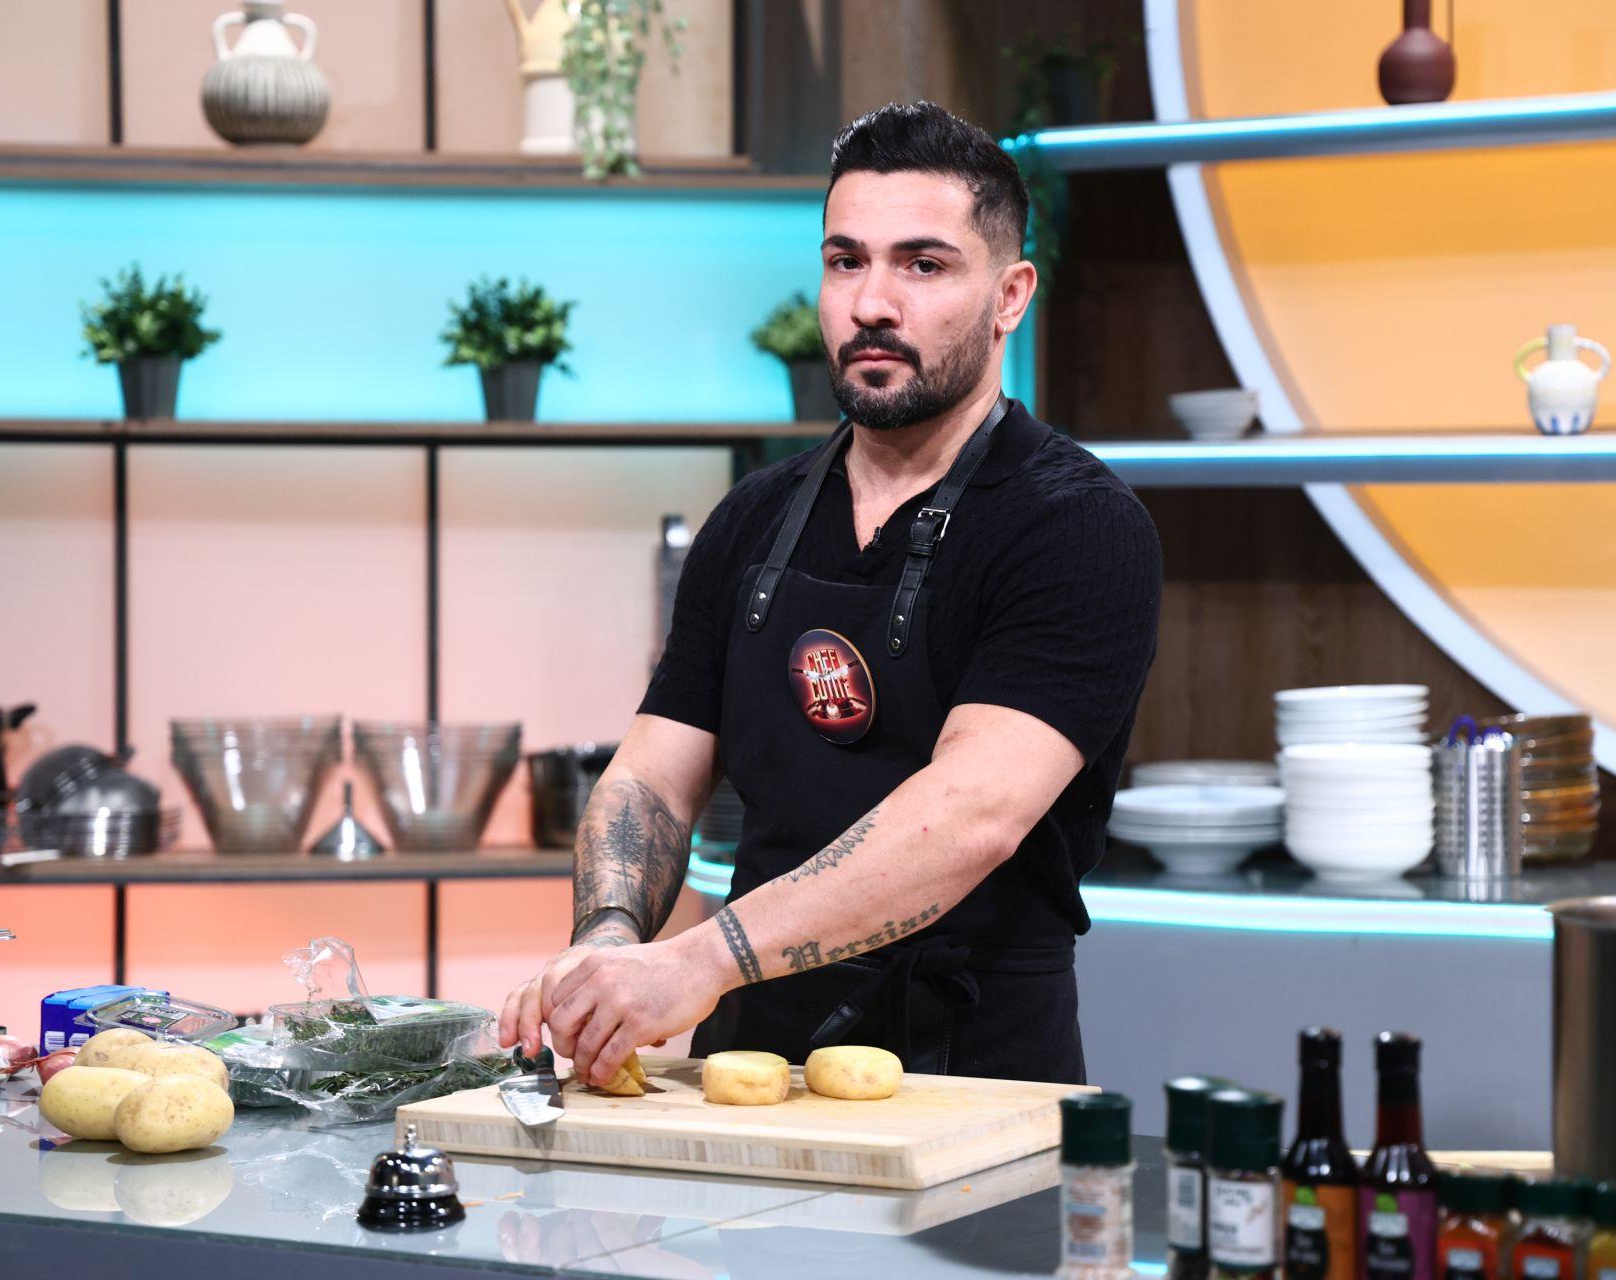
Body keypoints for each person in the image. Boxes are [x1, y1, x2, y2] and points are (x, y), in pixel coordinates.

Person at [498, 100, 1162, 1087]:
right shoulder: (753, 518)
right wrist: (608, 940)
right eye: (846, 261)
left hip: (971, 1070)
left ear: (1010, 295)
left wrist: (698, 960)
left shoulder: (1076, 524)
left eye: (923, 265)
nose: (872, 303)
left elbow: (970, 815)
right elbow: (653, 776)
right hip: (747, 1061)